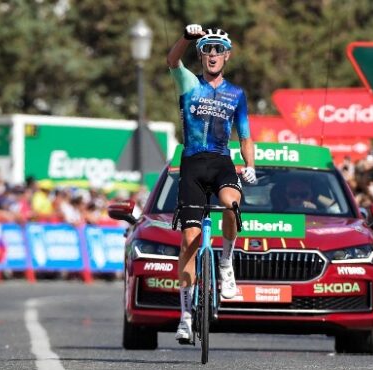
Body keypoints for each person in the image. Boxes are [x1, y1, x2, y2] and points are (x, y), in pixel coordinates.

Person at [166, 24, 256, 342]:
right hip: (191, 163)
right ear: (202, 55)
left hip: (220, 163)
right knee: (189, 241)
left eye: (219, 49)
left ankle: (227, 261)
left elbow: (245, 136)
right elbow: (172, 61)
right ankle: (186, 316)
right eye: (208, 49)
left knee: (232, 204)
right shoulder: (189, 82)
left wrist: (250, 165)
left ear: (227, 56)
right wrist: (187, 38)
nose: (213, 54)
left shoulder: (236, 94)